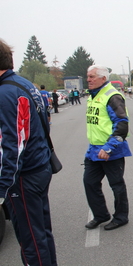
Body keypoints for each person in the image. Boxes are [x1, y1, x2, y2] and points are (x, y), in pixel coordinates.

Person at [0, 39, 57, 266]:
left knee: (31, 240)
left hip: (24, 176)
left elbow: (13, 145)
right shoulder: (24, 84)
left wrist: (2, 186)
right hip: (39, 167)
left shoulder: (5, 93)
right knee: (41, 233)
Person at [84, 64, 131, 231]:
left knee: (116, 185)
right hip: (94, 150)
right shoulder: (93, 95)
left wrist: (109, 147)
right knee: (89, 182)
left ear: (103, 79)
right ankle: (101, 215)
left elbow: (122, 124)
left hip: (112, 150)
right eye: (88, 76)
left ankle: (121, 217)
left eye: (92, 77)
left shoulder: (112, 96)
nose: (88, 80)